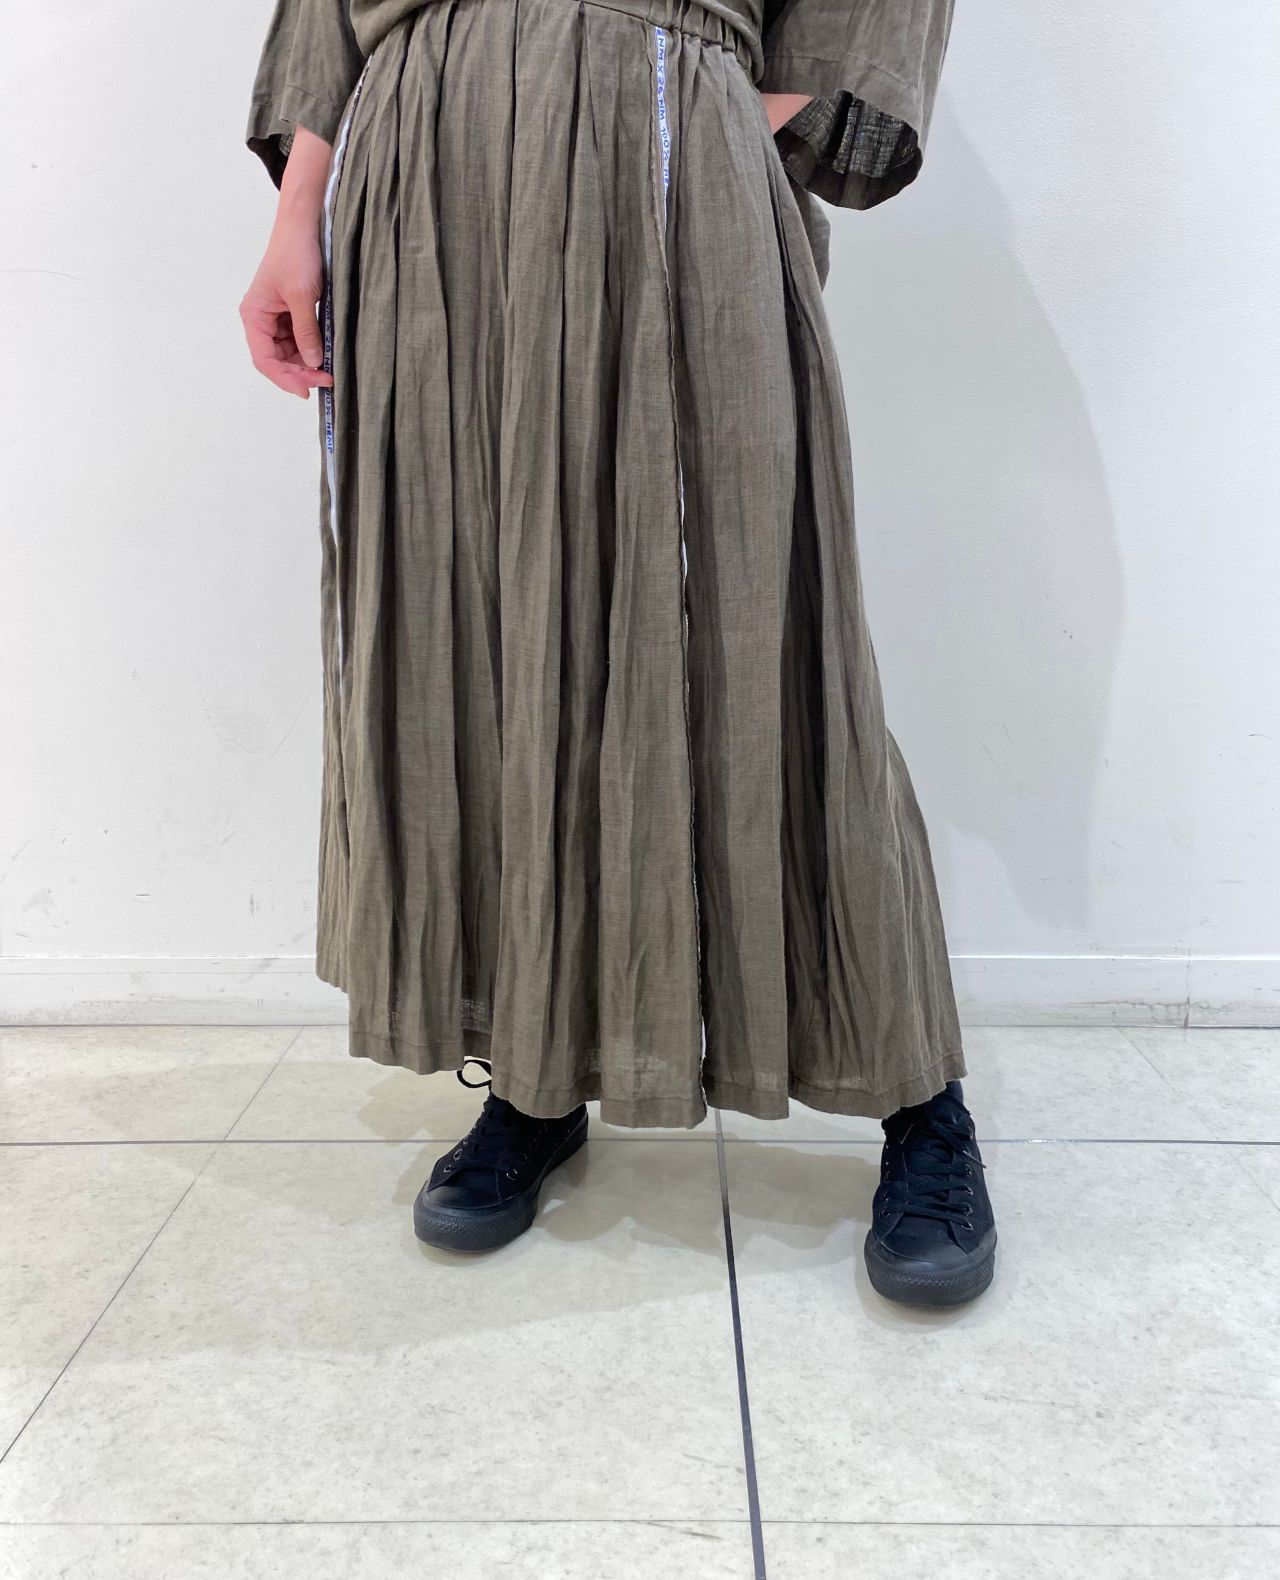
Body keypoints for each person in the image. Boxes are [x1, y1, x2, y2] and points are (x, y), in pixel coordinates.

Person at [240, 0, 996, 1307]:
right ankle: (539, 1065)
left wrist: (711, 121)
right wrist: (296, 212)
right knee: (485, 640)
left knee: (764, 637)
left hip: (665, 132)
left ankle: (919, 1097)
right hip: (423, 178)